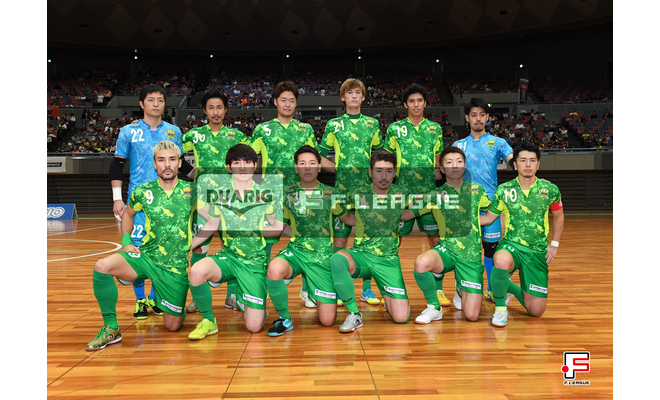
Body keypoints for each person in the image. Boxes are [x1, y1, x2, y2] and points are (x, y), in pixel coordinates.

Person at [86, 141, 199, 350]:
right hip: (146, 257)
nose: (167, 165)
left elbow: (211, 217)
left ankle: (174, 305)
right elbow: (128, 214)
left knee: (172, 326)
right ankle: (111, 328)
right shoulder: (142, 191)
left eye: (172, 159)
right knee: (102, 266)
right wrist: (126, 241)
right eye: (161, 160)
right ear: (154, 164)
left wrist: (200, 241)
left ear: (179, 163)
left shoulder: (193, 191)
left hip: (174, 267)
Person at [109, 84, 190, 320]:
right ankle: (140, 299)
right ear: (141, 104)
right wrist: (117, 198)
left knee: (161, 249)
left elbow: (182, 164)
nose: (156, 104)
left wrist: (204, 178)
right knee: (137, 249)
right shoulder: (128, 131)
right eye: (151, 100)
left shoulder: (174, 131)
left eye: (160, 100)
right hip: (139, 202)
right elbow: (117, 165)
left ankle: (155, 297)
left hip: (167, 201)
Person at [251, 80, 334, 307]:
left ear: (296, 104)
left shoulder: (305, 129)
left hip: (301, 195)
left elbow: (316, 157)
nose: (287, 104)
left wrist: (341, 169)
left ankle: (308, 290)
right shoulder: (262, 130)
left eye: (292, 100)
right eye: (283, 100)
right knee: (266, 244)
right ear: (275, 101)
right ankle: (262, 288)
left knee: (307, 242)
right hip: (272, 195)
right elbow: (248, 157)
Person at [186, 144, 282, 339]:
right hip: (228, 257)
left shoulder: (267, 194)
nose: (242, 167)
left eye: (247, 162)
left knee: (254, 327)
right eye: (237, 163)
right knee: (196, 271)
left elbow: (277, 227)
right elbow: (211, 225)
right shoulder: (220, 194)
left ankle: (247, 298)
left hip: (254, 263)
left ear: (255, 165)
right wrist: (187, 246)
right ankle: (209, 321)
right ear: (229, 167)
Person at [265, 145, 354, 336]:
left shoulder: (331, 194)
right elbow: (278, 227)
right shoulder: (287, 194)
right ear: (296, 168)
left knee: (327, 322)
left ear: (319, 167)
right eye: (302, 163)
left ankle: (315, 290)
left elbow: (348, 219)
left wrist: (379, 218)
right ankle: (284, 318)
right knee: (274, 269)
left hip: (321, 257)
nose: (307, 167)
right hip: (296, 252)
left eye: (312, 163)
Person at [330, 150, 419, 333]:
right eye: (379, 171)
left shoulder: (402, 193)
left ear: (394, 173)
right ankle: (354, 313)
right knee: (337, 259)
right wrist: (341, 213)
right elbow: (345, 214)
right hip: (361, 256)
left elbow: (411, 211)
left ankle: (386, 291)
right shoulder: (358, 193)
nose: (384, 176)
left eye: (389, 171)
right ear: (370, 172)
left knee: (401, 318)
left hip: (388, 261)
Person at [480, 142, 564, 327]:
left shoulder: (550, 189)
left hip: (537, 251)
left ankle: (506, 286)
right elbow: (489, 218)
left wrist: (554, 244)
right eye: (523, 160)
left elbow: (559, 216)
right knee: (500, 260)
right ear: (515, 164)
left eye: (532, 160)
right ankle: (500, 307)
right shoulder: (504, 190)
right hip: (512, 245)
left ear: (538, 164)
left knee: (536, 311)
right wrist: (462, 220)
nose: (528, 164)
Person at [182, 88, 251, 313]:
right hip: (203, 202)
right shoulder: (194, 135)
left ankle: (232, 296)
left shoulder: (237, 136)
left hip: (231, 201)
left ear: (225, 109)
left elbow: (251, 158)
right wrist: (191, 173)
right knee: (198, 248)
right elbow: (174, 153)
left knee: (231, 248)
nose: (215, 112)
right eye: (211, 107)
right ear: (204, 110)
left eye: (219, 107)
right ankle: (198, 297)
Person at [319, 78, 384, 306]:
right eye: (350, 93)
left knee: (366, 241)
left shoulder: (372, 124)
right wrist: (338, 169)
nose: (354, 96)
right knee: (339, 240)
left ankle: (367, 290)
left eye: (358, 92)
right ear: (343, 97)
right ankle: (338, 290)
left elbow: (381, 156)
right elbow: (319, 156)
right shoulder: (333, 125)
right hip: (341, 192)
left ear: (363, 97)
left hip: (367, 192)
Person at [412, 147, 491, 323]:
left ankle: (461, 287)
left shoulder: (476, 190)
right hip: (447, 250)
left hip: (470, 257)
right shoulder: (435, 195)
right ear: (441, 168)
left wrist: (471, 222)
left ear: (465, 166)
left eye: (459, 161)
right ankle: (434, 307)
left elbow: (491, 214)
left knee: (472, 316)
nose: (455, 165)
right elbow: (406, 214)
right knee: (422, 262)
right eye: (449, 162)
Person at [383, 83, 446, 303]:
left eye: (419, 100)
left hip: (429, 195)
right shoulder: (394, 129)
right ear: (405, 104)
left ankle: (438, 290)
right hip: (402, 196)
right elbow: (386, 160)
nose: (416, 104)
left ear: (425, 103)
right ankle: (391, 287)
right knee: (394, 243)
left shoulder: (435, 129)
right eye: (411, 101)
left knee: (436, 240)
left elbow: (439, 161)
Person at [453, 97, 513, 306]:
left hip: (490, 206)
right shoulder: (458, 145)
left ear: (487, 117)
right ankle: (461, 289)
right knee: (463, 249)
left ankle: (491, 289)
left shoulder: (498, 142)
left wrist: (520, 165)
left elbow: (512, 159)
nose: (478, 119)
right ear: (467, 118)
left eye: (481, 115)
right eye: (473, 115)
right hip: (464, 204)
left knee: (491, 248)